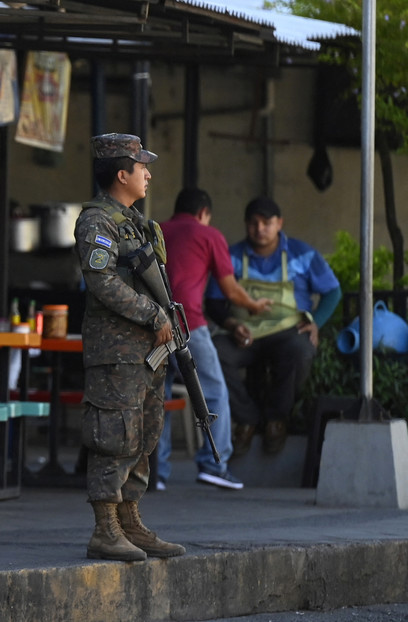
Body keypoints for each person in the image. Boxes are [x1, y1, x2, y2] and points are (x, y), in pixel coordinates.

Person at [74, 133, 183, 562]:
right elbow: (102, 282)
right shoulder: (96, 222)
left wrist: (168, 321)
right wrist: (154, 316)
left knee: (144, 435)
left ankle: (130, 520)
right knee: (113, 437)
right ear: (121, 174)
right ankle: (105, 528)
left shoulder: (142, 224)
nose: (148, 174)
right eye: (142, 168)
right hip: (115, 351)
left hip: (147, 353)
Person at [206, 196, 342, 456]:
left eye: (267, 223)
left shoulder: (303, 254)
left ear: (279, 223)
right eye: (254, 223)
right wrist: (232, 325)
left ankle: (277, 420)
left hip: (286, 332)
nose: (260, 229)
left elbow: (333, 292)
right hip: (244, 334)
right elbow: (213, 302)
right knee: (213, 354)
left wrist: (316, 322)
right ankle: (246, 418)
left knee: (300, 351)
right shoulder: (230, 256)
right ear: (246, 224)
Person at [155, 188, 272, 491]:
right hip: (188, 324)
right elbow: (231, 290)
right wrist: (255, 306)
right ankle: (214, 464)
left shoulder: (156, 231)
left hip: (152, 325)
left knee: (158, 398)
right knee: (214, 392)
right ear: (203, 213)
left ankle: (156, 470)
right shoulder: (208, 235)